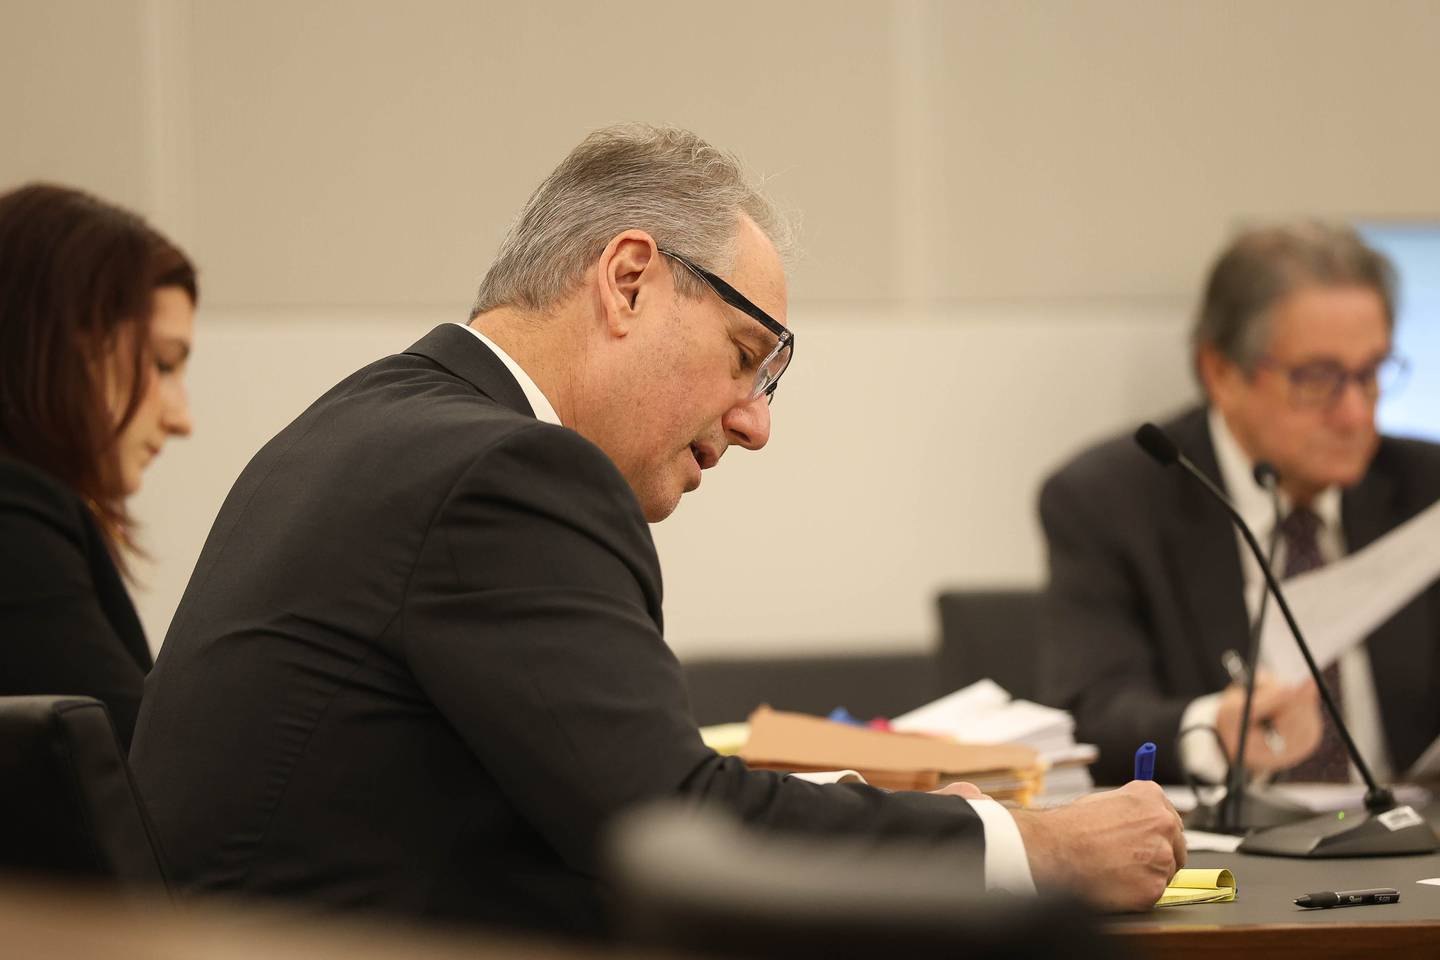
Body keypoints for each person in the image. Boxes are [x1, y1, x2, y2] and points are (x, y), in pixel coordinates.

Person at [132, 124, 1182, 935]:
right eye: (746, 357)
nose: (757, 423)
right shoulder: (511, 472)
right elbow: (672, 830)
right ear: (629, 279)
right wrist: (1031, 850)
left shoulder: (367, 421)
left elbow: (607, 786)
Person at [1039, 220, 1440, 786]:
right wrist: (1212, 728)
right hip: (1226, 858)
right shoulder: (1110, 499)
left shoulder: (1427, 490)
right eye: (1318, 377)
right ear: (1221, 372)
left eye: (1370, 373)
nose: (1355, 414)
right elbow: (1092, 716)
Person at [0, 183, 197, 751]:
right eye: (163, 364)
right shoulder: (14, 522)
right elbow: (145, 779)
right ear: (59, 346)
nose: (183, 418)